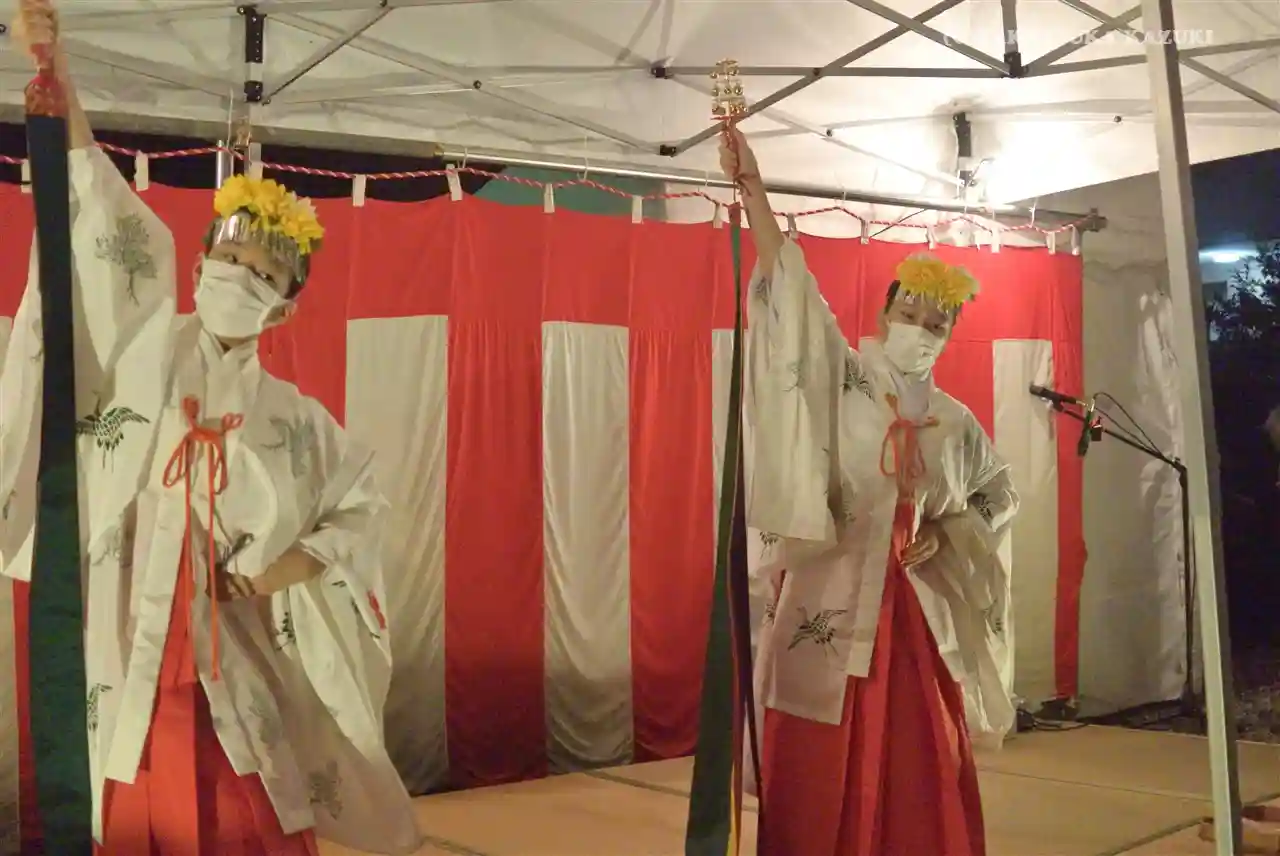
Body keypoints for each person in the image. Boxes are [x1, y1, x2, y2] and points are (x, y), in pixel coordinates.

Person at [0, 2, 422, 854]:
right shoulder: (144, 352)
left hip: (234, 653)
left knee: (247, 812)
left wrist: (279, 570)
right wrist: (60, 82)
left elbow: (361, 508)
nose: (239, 277)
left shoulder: (297, 420)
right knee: (134, 806)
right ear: (199, 266)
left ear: (285, 307)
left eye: (263, 274)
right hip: (131, 635)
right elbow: (106, 219)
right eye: (229, 260)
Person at [722, 127, 1020, 856]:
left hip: (906, 602)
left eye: (937, 324)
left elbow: (997, 492)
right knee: (814, 740)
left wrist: (946, 531)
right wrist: (754, 190)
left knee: (919, 750)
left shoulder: (955, 420)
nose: (921, 331)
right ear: (886, 316)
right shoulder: (850, 377)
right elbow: (794, 292)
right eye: (910, 317)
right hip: (829, 581)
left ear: (951, 334)